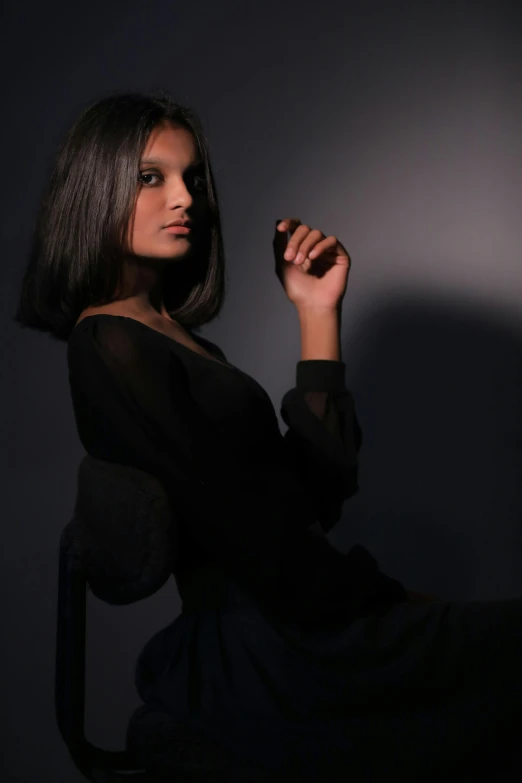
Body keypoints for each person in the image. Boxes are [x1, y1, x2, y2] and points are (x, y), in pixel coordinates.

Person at [13, 90, 522, 781]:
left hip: (291, 619)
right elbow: (246, 532)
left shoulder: (183, 344)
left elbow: (316, 494)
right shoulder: (109, 343)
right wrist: (388, 597)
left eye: (192, 176)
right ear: (94, 186)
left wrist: (318, 314)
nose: (185, 197)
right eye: (151, 176)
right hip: (266, 650)